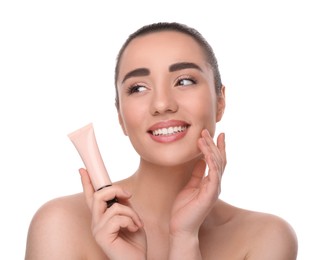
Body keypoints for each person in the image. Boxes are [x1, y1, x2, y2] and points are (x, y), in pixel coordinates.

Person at [25, 22, 298, 259]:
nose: (162, 104)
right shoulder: (61, 224)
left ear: (220, 102)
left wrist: (184, 240)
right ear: (120, 117)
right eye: (138, 88)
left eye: (185, 81)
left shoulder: (265, 237)